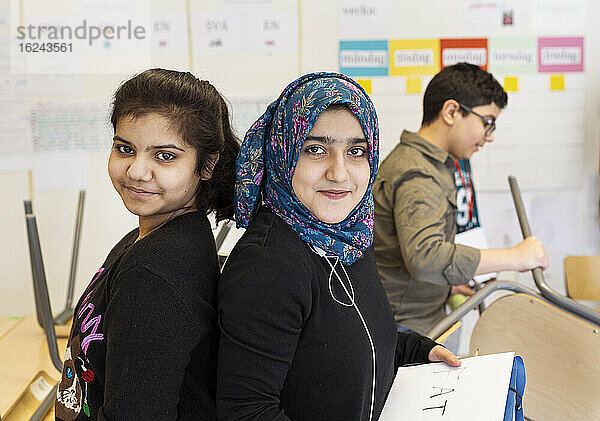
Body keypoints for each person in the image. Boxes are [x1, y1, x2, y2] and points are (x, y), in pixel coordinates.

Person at [216, 72, 460, 421]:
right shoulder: (267, 265)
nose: (340, 173)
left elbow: (355, 335)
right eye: (315, 150)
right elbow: (246, 412)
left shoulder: (348, 238)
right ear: (281, 153)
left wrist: (419, 349)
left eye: (356, 151)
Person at [55, 69, 239, 420]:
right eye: (125, 149)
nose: (137, 171)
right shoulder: (151, 239)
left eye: (165, 156)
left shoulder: (155, 271)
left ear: (207, 165)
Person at [373, 63, 549, 336]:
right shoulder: (419, 173)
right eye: (487, 123)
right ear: (452, 111)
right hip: (408, 331)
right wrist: (515, 257)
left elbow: (408, 254)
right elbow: (426, 258)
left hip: (419, 318)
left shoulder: (430, 163)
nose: (488, 137)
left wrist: (444, 286)